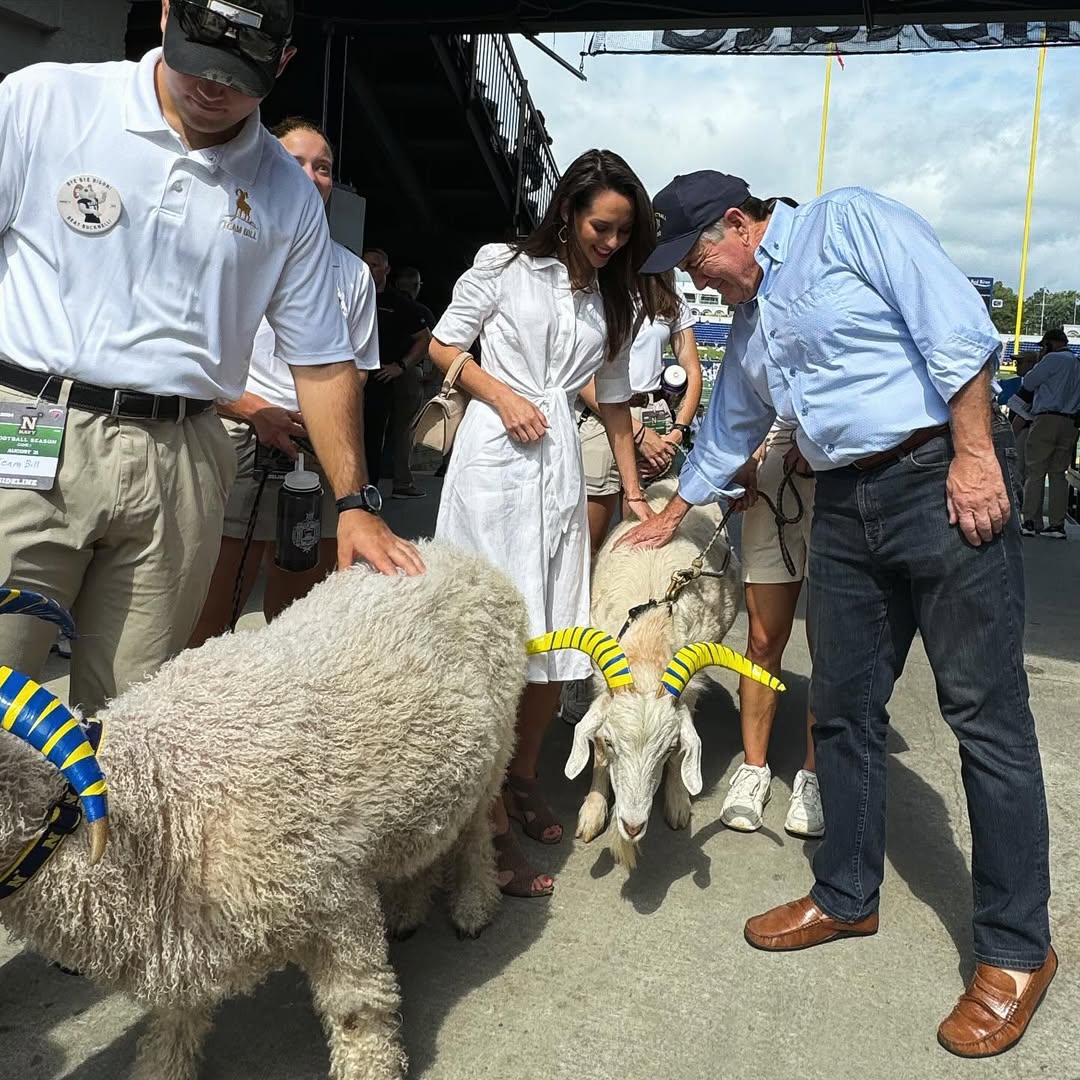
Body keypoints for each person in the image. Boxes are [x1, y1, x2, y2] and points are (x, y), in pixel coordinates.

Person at [623, 171, 1054, 1058]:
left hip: (937, 470)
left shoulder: (846, 222)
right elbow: (730, 426)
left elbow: (955, 328)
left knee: (985, 716)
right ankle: (847, 893)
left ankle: (1016, 950)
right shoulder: (750, 325)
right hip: (846, 501)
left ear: (737, 224)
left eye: (699, 262)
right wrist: (674, 511)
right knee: (842, 706)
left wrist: (977, 454)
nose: (700, 281)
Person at [0, 0, 422, 720]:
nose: (211, 87)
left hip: (184, 455)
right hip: (32, 426)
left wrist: (354, 504)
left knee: (136, 717)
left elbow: (322, 360)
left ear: (283, 62)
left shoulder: (286, 192)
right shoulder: (46, 103)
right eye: (198, 59)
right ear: (167, 10)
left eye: (238, 75)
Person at [428, 149, 658, 898]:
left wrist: (635, 492)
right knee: (495, 629)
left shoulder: (616, 298)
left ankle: (520, 776)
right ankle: (485, 812)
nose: (612, 242)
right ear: (567, 212)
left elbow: (614, 400)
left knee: (553, 630)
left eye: (624, 232)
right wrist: (500, 395)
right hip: (496, 454)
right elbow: (442, 345)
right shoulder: (503, 266)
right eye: (602, 227)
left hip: (559, 464)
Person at [189, 117, 382, 645]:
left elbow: (357, 369)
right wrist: (253, 410)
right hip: (236, 433)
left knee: (301, 614)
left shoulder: (352, 273)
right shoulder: (226, 245)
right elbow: (192, 357)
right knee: (214, 608)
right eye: (295, 161)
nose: (311, 176)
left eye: (324, 168)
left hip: (313, 445)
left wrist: (322, 431)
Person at [722, 418, 821, 838]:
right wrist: (743, 451)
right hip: (774, 455)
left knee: (830, 642)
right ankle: (753, 766)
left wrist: (820, 441)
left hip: (844, 464)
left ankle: (815, 774)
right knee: (762, 640)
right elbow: (742, 392)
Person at [577, 270, 702, 556]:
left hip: (653, 415)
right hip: (601, 415)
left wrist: (677, 431)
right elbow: (582, 377)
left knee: (642, 541)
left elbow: (693, 371)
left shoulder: (669, 293)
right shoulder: (596, 286)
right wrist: (638, 433)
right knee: (587, 546)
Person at [361, 247, 431, 497]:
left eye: (375, 265)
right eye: (365, 264)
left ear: (387, 269)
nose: (369, 269)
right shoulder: (351, 294)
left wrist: (400, 366)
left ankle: (373, 489)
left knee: (380, 434)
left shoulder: (399, 303)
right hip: (351, 374)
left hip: (382, 377)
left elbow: (425, 339)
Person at [1020, 327, 1080, 539]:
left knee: (1035, 471)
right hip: (1070, 421)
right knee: (1058, 474)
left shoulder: (1051, 359)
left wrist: (1040, 359)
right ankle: (1056, 524)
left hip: (1046, 418)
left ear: (1049, 343)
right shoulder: (1077, 363)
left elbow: (1028, 383)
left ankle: (1029, 521)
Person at [390, 265, 435, 492]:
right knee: (404, 429)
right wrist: (430, 375)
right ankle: (403, 481)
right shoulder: (419, 311)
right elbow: (433, 345)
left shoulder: (380, 304)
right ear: (417, 286)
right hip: (408, 372)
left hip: (376, 370)